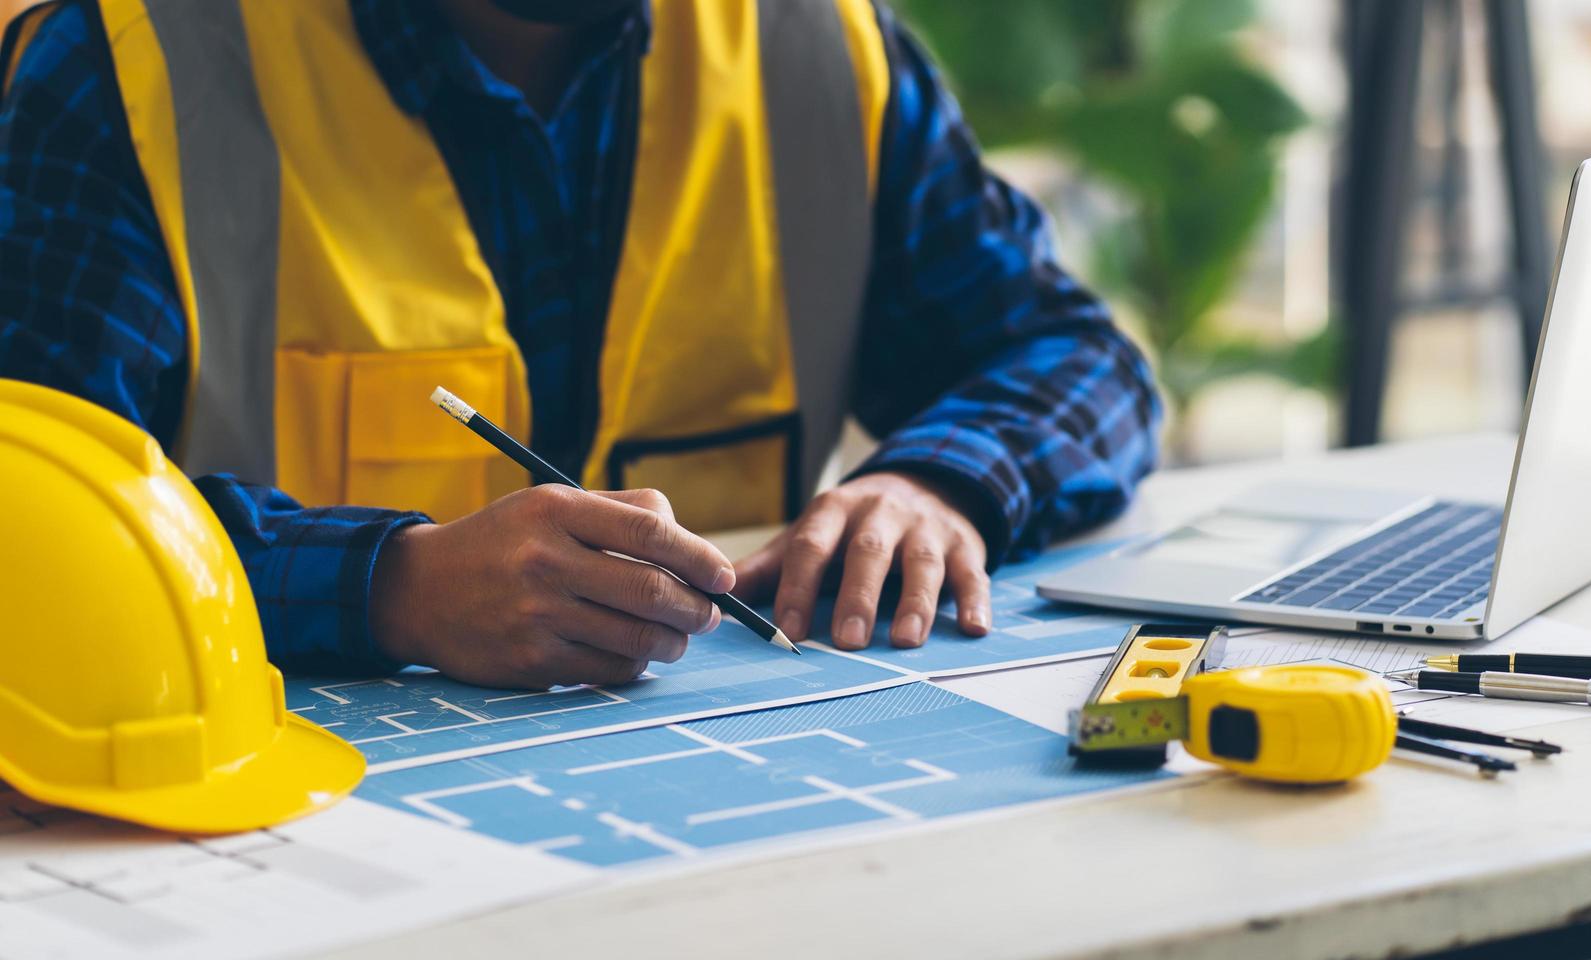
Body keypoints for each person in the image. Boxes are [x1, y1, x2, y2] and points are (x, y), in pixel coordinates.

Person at [0, 0, 1158, 689]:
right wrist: (383, 589)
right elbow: (30, 533)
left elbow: (1072, 354)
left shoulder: (810, 52)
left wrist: (939, 479)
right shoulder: (133, 65)